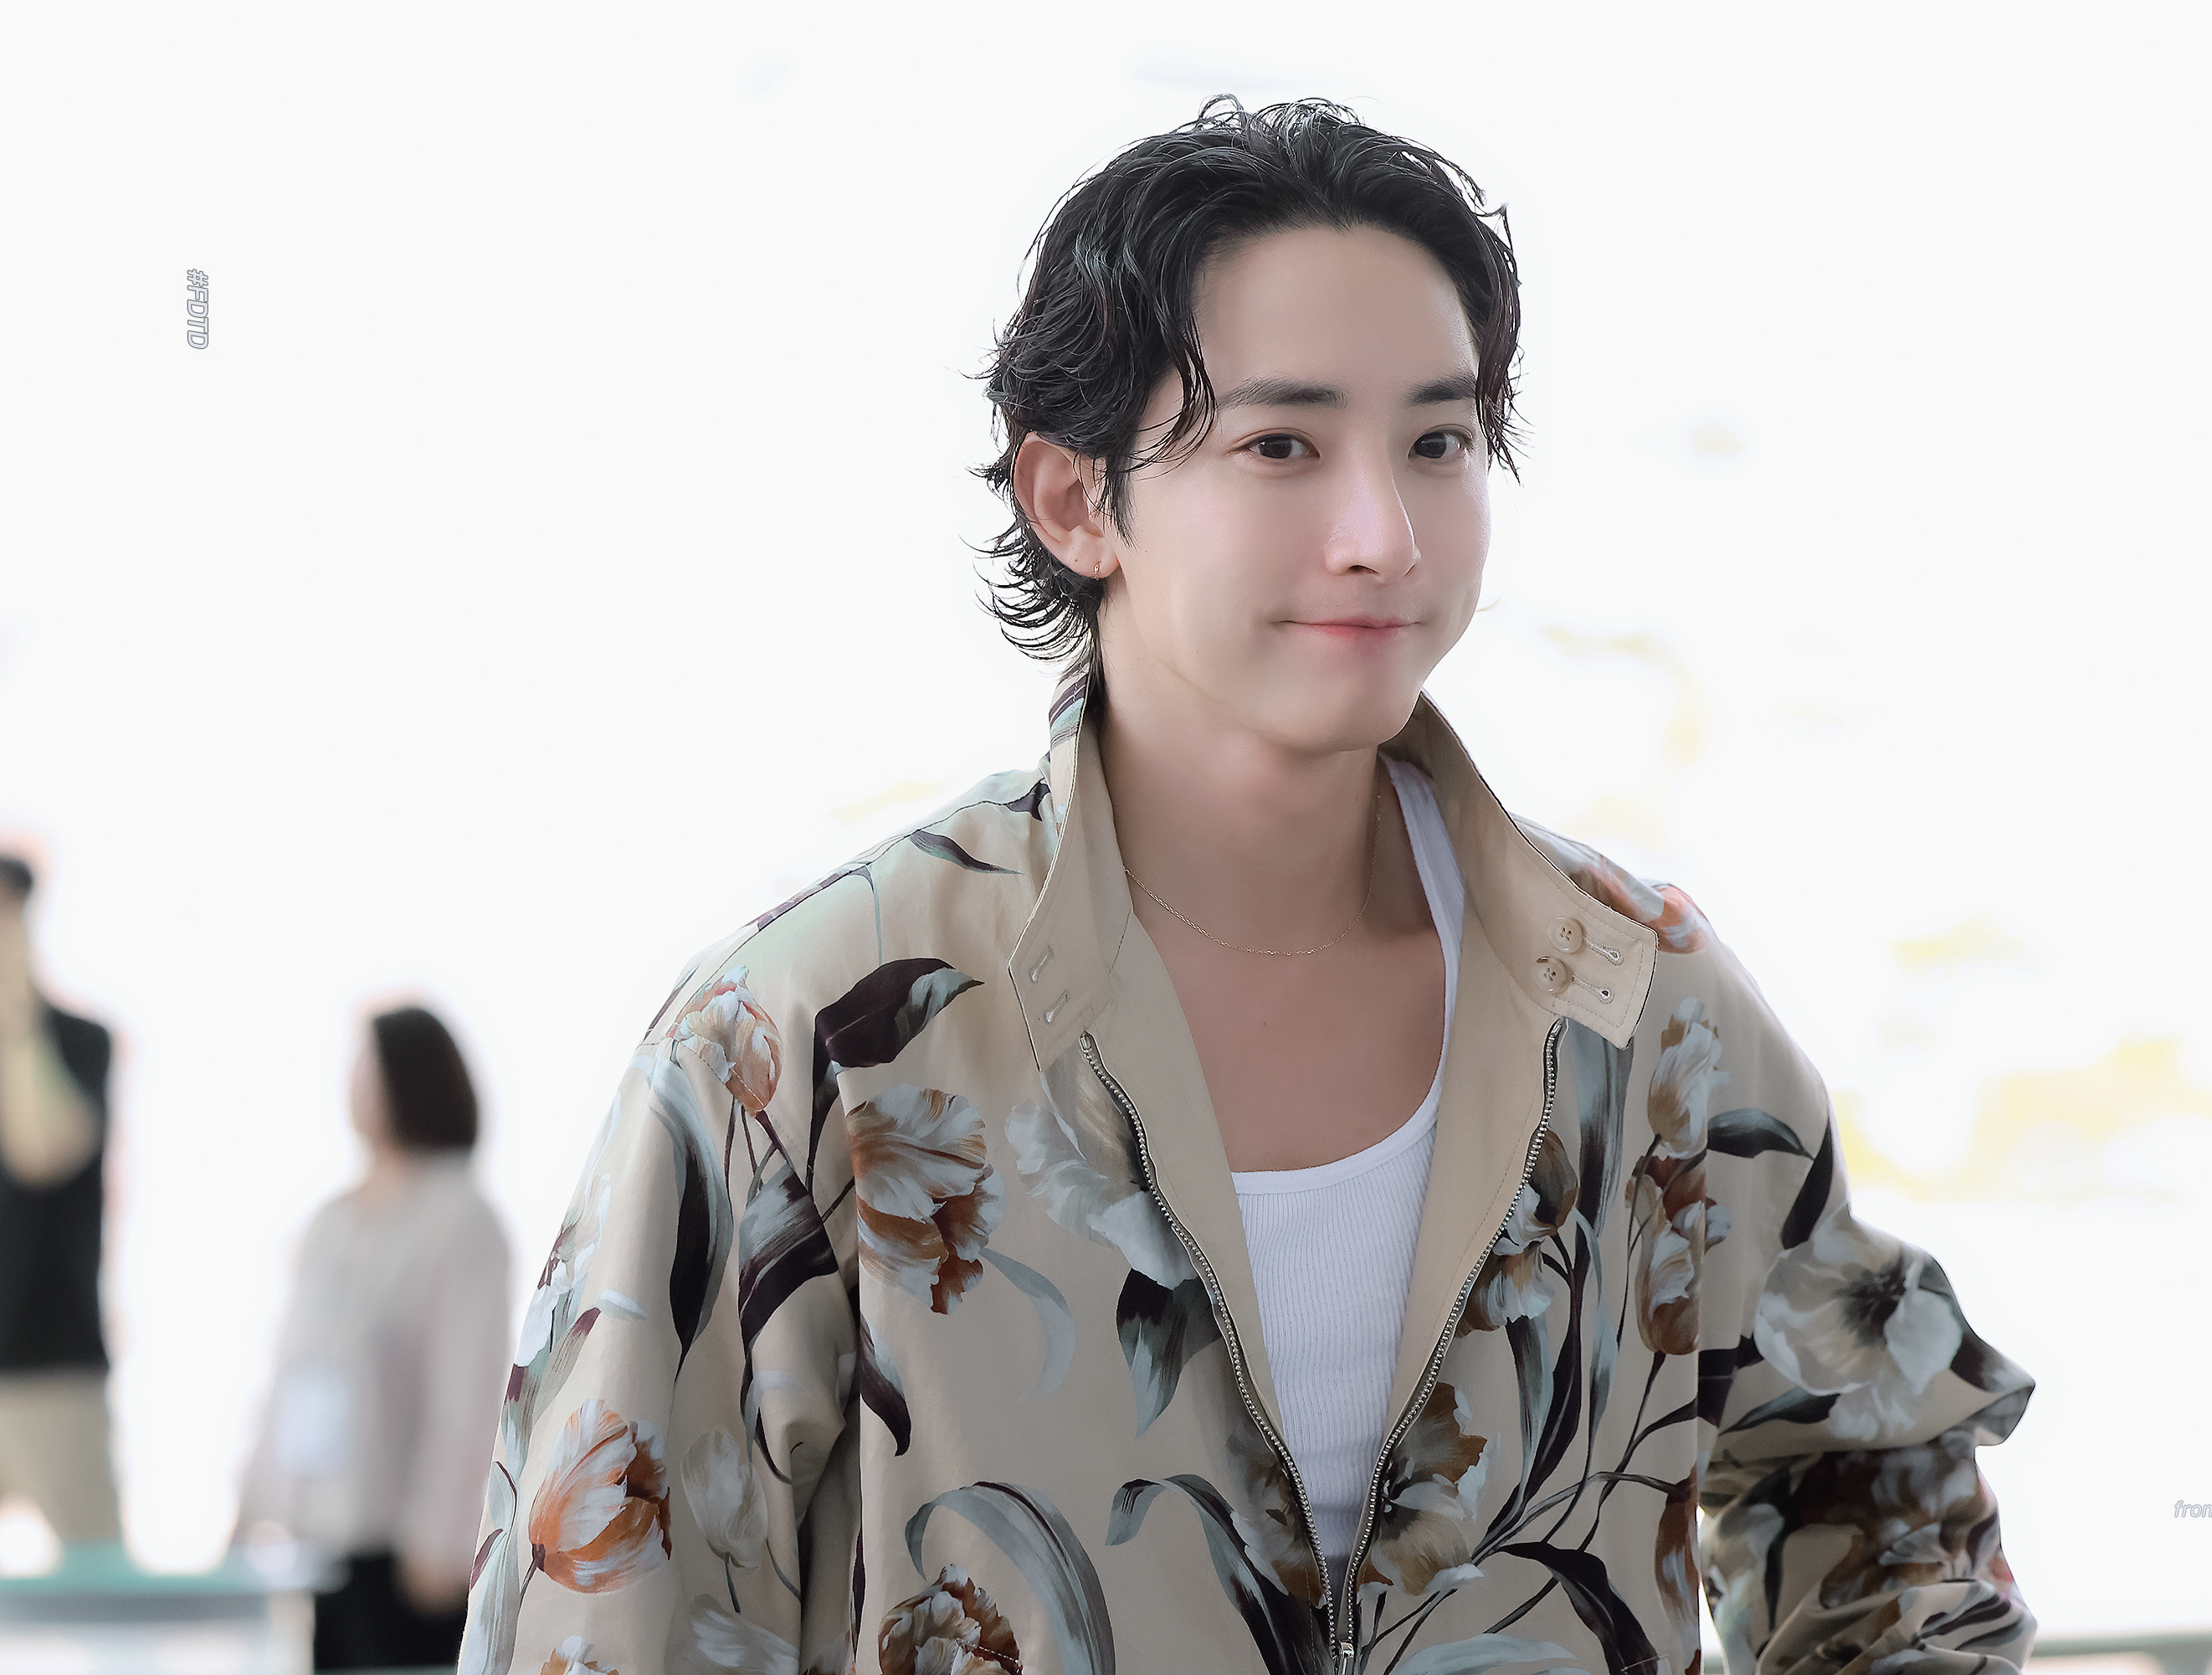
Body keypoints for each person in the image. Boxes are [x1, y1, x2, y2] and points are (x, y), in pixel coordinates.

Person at [459, 99, 2035, 1675]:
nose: (1383, 534)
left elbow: (1885, 1484)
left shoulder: (1643, 999)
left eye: (1438, 442)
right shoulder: (815, 1036)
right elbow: (599, 1616)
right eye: (1282, 445)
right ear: (1076, 499)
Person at [239, 1006, 512, 1670]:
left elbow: (469, 1390)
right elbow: (291, 1375)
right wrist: (251, 1509)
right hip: (323, 1538)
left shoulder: (461, 1218)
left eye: (368, 1065)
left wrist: (443, 1537)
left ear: (408, 1077)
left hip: (410, 1550)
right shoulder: (331, 1221)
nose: (352, 1082)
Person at [0, 853, 122, 1562]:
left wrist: (18, 1022)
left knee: (97, 1575)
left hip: (52, 1361)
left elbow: (41, 1150)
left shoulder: (79, 1041)